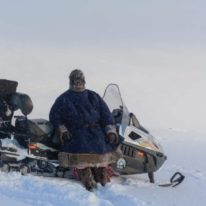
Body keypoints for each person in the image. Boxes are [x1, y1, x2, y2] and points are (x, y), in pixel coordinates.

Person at [49, 69, 123, 191]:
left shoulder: (93, 96)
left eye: (80, 81)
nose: (78, 83)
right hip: (76, 132)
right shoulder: (63, 99)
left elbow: (106, 116)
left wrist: (110, 131)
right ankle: (85, 173)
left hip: (96, 131)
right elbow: (55, 117)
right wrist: (63, 130)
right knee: (82, 148)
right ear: (71, 82)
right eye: (75, 81)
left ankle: (101, 171)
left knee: (103, 145)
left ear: (84, 81)